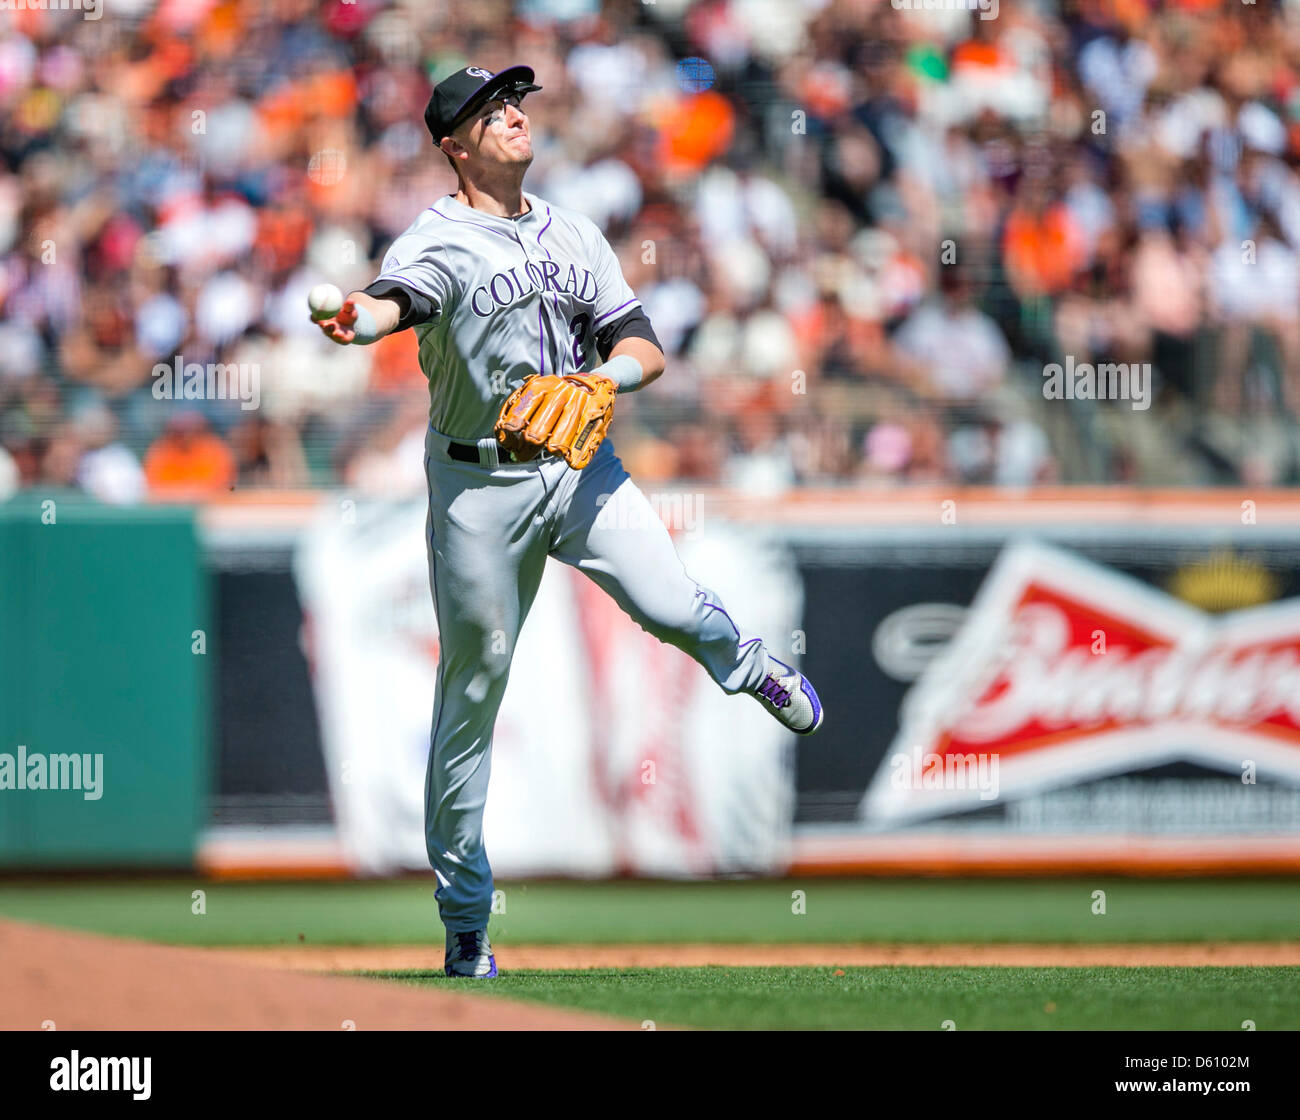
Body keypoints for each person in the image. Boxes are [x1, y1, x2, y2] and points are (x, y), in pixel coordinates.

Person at [314, 65, 824, 979]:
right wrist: (355, 317)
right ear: (454, 144)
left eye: (516, 100)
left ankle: (748, 666)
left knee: (670, 603)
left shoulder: (573, 230)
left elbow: (644, 347)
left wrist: (600, 379)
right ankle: (466, 920)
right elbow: (394, 305)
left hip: (580, 466)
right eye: (489, 108)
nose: (513, 113)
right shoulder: (438, 239)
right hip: (478, 493)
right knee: (472, 696)